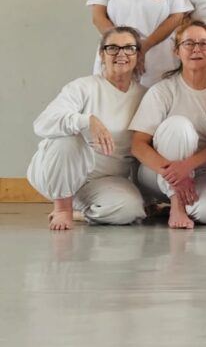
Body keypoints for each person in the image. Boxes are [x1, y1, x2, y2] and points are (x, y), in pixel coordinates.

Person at [27, 27, 148, 228]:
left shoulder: (145, 96)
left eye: (129, 48)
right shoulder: (83, 87)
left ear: (138, 55)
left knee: (130, 211)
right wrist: (87, 121)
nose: (121, 54)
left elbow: (141, 149)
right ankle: (62, 208)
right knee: (69, 138)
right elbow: (42, 123)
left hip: (105, 181)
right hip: (58, 174)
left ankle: (81, 212)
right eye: (112, 48)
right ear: (101, 54)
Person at [130, 20, 206, 229]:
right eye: (188, 43)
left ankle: (170, 206)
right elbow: (138, 145)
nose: (196, 49)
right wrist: (175, 174)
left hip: (202, 171)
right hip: (157, 172)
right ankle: (176, 205)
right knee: (179, 125)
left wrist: (186, 168)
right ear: (177, 51)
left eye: (204, 44)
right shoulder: (162, 91)